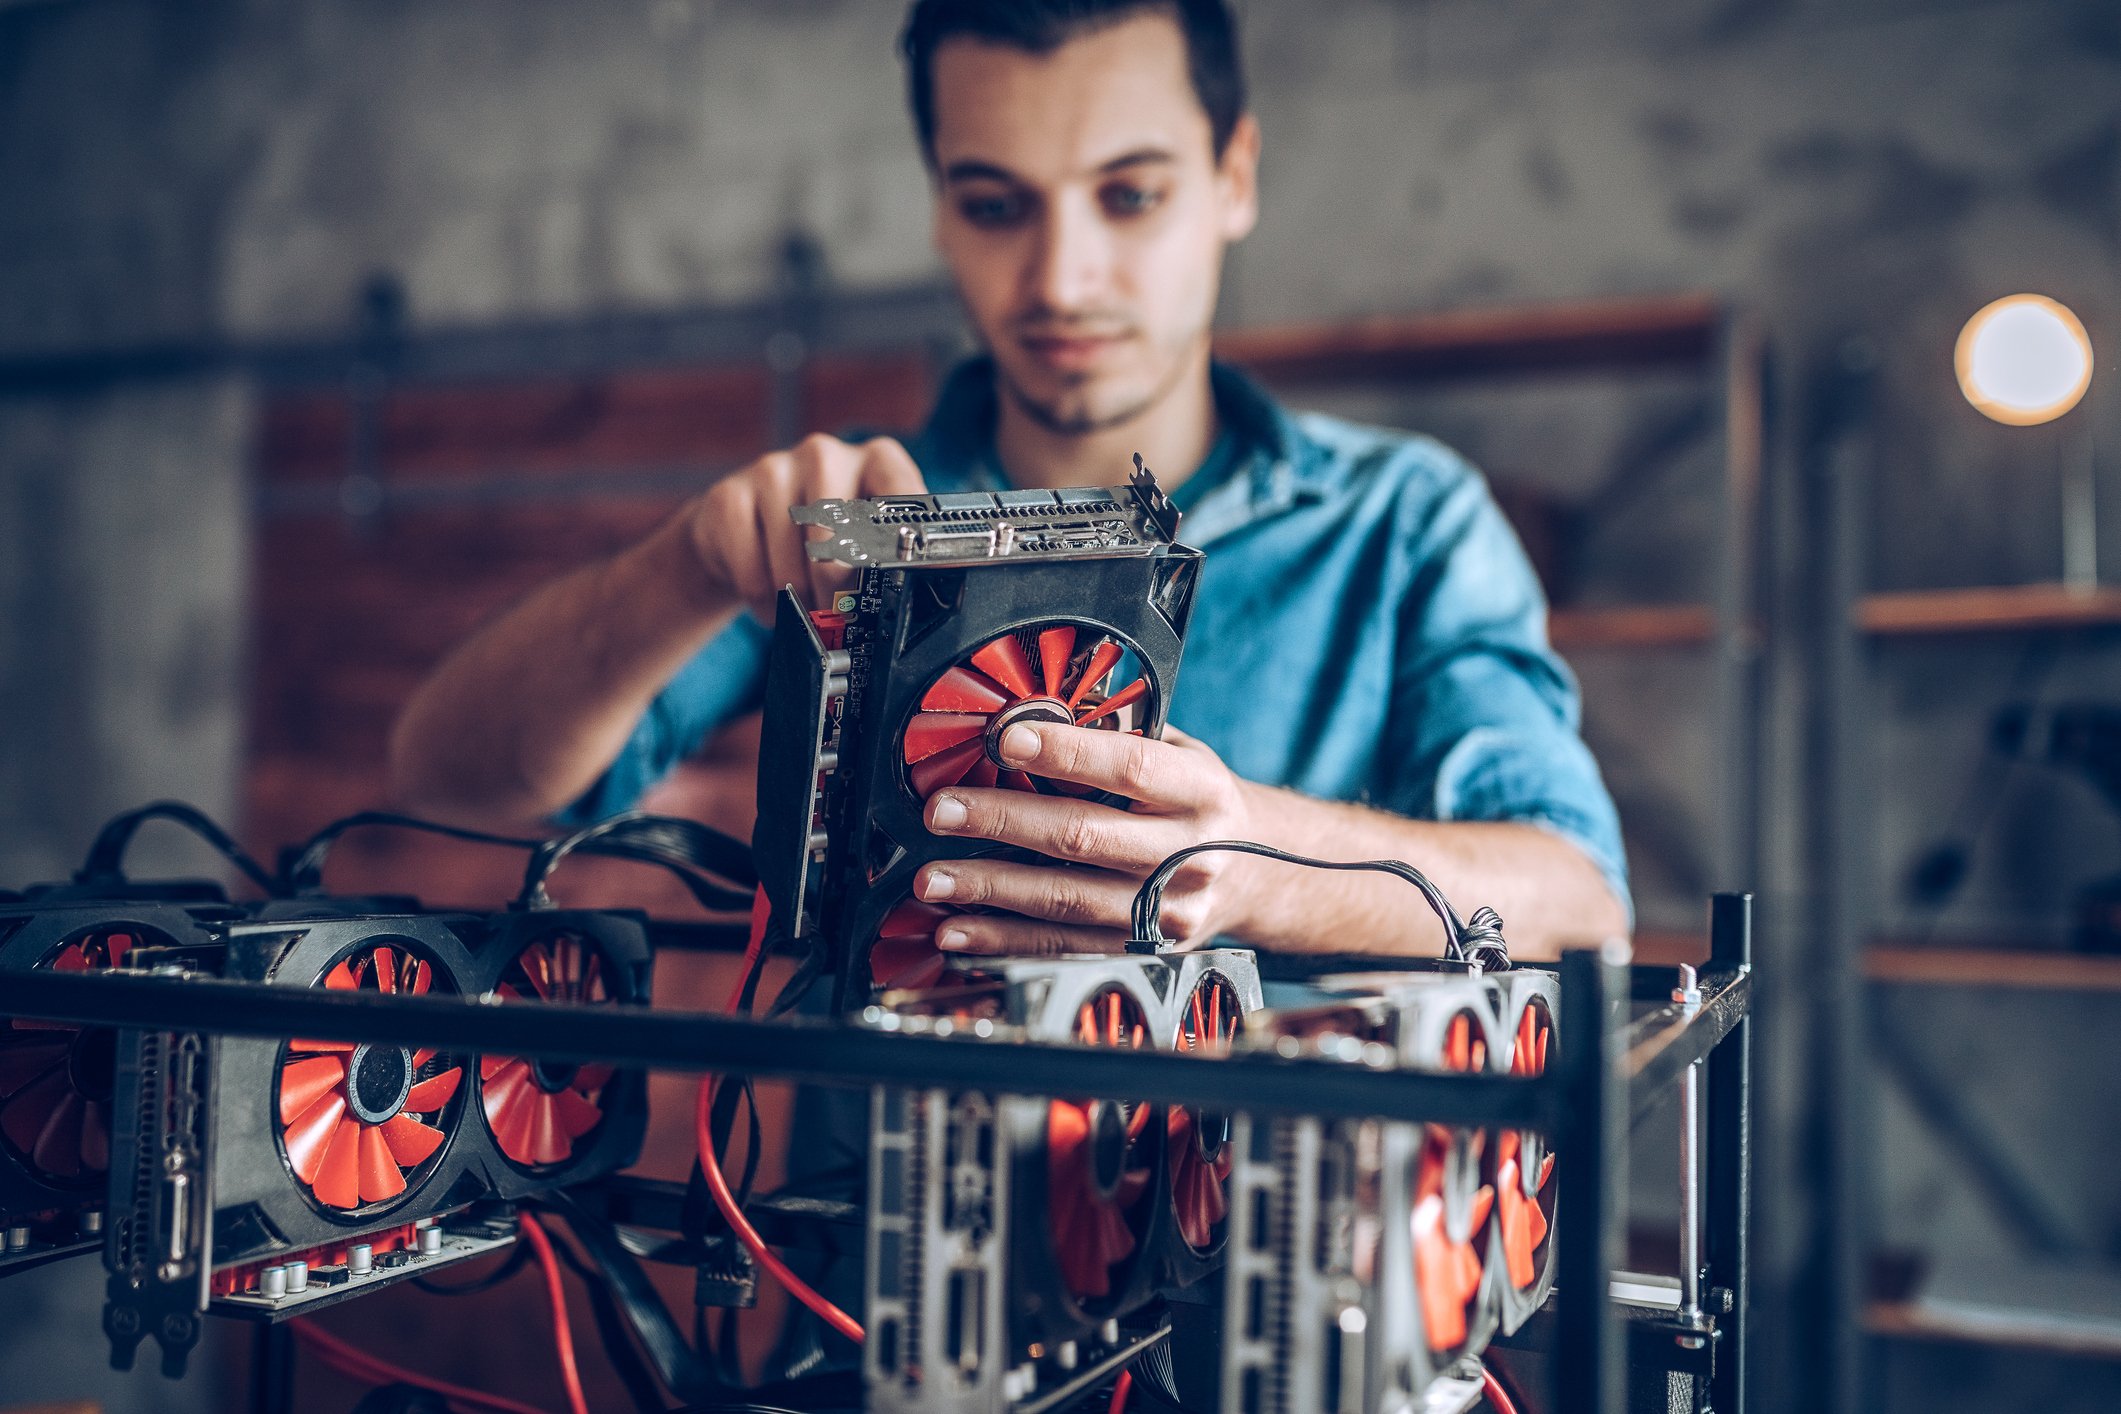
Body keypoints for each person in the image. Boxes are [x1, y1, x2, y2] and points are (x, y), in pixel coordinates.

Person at [389, 0, 1631, 972]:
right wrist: (679, 571)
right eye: (996, 206)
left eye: (1130, 195)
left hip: (1259, 1275)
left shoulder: (1408, 523)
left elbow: (1579, 903)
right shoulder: (844, 528)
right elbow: (453, 780)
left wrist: (1254, 867)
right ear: (938, 207)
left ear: (1234, 176)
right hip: (857, 1275)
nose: (1062, 278)